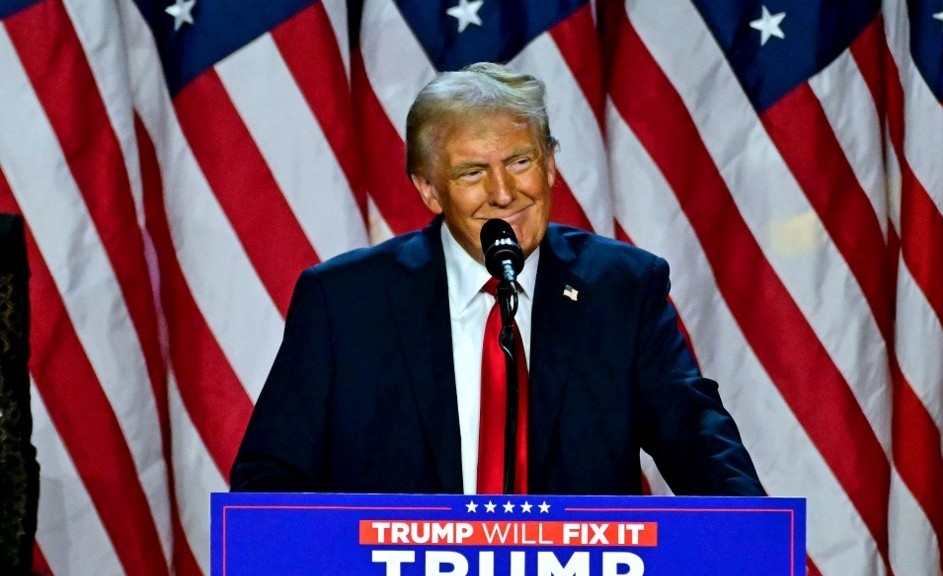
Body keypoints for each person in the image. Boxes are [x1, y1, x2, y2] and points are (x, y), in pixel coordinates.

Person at [231, 62, 764, 497]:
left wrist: (755, 539)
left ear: (551, 164)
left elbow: (697, 440)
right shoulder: (346, 303)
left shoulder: (621, 289)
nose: (504, 193)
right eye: (471, 172)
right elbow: (269, 481)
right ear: (429, 190)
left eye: (520, 160)